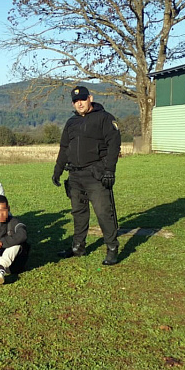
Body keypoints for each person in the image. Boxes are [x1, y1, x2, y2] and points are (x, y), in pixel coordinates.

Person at [52, 86, 121, 265]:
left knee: (104, 212)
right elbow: (64, 148)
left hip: (96, 174)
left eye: (82, 99)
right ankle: (78, 247)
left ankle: (112, 248)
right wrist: (57, 170)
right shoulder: (71, 123)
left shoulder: (104, 118)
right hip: (75, 175)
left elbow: (114, 145)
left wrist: (109, 171)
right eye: (75, 101)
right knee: (79, 213)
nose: (79, 103)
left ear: (90, 98)